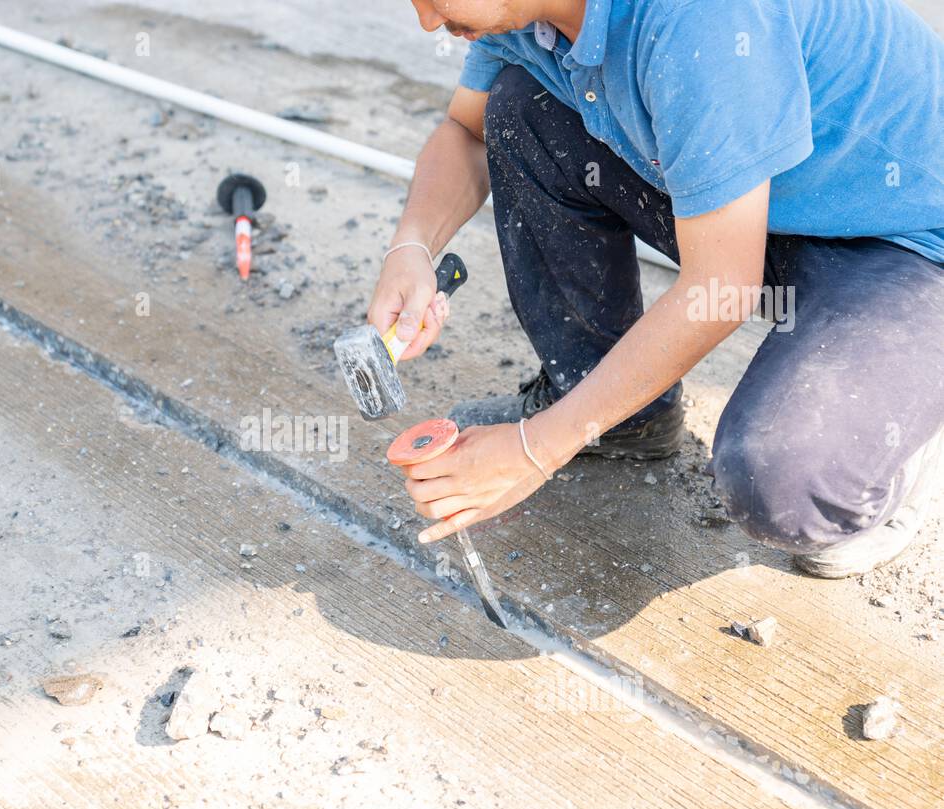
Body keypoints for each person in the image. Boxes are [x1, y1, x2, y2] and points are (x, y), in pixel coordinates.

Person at [373, 0, 944, 578]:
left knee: (785, 486)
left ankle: (892, 444)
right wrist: (411, 248)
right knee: (523, 105)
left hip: (902, 240)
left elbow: (721, 289)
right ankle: (623, 415)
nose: (425, 21)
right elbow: (464, 132)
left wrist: (534, 449)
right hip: (758, 209)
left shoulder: (700, 21)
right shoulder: (528, 15)